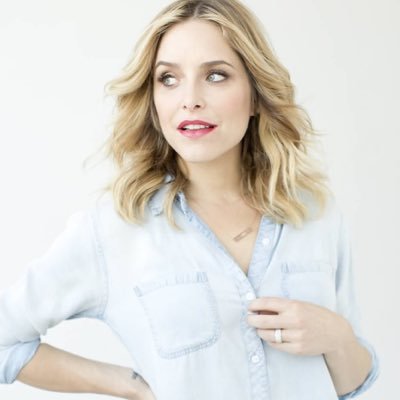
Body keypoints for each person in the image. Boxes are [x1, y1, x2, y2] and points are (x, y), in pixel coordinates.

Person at [0, 0, 380, 399]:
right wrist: (132, 387)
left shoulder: (315, 213)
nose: (190, 99)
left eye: (216, 75)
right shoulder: (115, 230)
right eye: (168, 78)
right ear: (153, 98)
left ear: (255, 95)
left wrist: (337, 337)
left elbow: (351, 383)